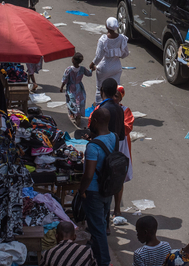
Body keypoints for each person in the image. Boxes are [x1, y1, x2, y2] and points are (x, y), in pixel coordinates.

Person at [78, 106, 116, 266]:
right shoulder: (113, 137)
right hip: (108, 189)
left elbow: (88, 174)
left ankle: (104, 262)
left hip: (93, 192)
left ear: (95, 121)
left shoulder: (93, 147)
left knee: (98, 229)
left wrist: (81, 190)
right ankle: (93, 254)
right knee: (99, 224)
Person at [89, 17, 130, 103]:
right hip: (116, 67)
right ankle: (114, 106)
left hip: (104, 67)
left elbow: (99, 56)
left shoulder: (103, 40)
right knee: (115, 89)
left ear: (107, 27)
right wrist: (117, 55)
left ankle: (100, 106)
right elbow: (125, 53)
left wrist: (93, 64)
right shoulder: (122, 38)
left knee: (100, 88)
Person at [112, 85, 134, 217]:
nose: (114, 98)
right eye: (113, 95)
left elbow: (127, 128)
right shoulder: (103, 107)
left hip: (121, 146)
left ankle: (117, 208)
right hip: (107, 144)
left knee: (118, 177)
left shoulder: (125, 111)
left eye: (117, 96)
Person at [61, 52, 92, 126]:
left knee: (71, 101)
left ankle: (73, 114)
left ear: (72, 59)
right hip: (79, 87)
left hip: (71, 88)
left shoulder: (69, 69)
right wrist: (92, 69)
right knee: (79, 101)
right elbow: (89, 74)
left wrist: (62, 87)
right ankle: (78, 114)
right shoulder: (82, 69)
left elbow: (65, 79)